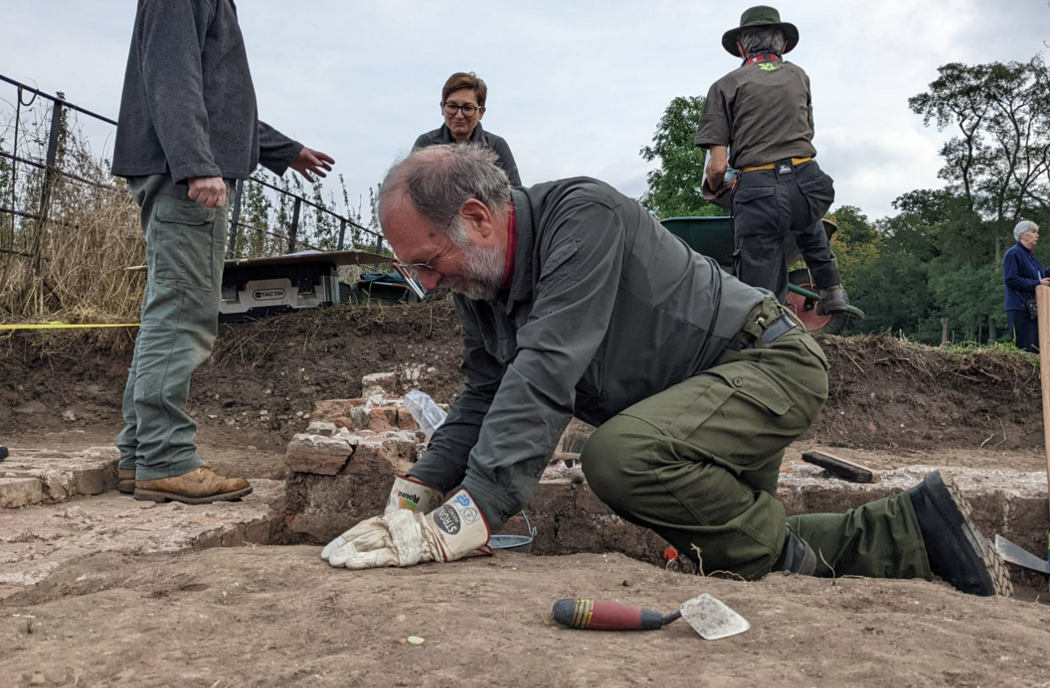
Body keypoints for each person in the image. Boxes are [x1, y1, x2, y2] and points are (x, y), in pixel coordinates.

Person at [320, 145, 1011, 598]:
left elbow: (547, 365)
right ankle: (919, 527)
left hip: (766, 364)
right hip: (696, 401)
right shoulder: (479, 282)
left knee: (621, 458)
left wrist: (470, 514)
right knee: (734, 558)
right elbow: (485, 389)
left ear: (476, 217)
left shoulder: (580, 218)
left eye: (424, 262)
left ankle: (896, 535)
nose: (424, 282)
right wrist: (416, 494)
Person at [111, 0, 335, 504]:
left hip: (181, 167)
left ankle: (139, 455)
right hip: (183, 176)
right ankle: (165, 458)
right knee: (184, 311)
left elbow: (218, 101)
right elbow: (173, 78)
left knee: (170, 308)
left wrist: (283, 150)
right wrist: (196, 165)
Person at [696, 6, 857, 331]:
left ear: (741, 47)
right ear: (782, 44)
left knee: (760, 290)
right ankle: (831, 288)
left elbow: (717, 167)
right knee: (803, 216)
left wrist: (714, 188)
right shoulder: (799, 76)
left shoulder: (725, 85)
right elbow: (807, 130)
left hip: (759, 192)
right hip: (808, 182)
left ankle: (768, 333)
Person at [411, 71, 522, 186]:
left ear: (481, 112)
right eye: (452, 106)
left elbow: (515, 192)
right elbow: (409, 189)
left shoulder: (497, 146)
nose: (459, 115)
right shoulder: (426, 144)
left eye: (468, 108)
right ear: (442, 108)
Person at [1002, 221, 1050, 353]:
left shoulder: (1031, 256)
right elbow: (1011, 280)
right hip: (1020, 307)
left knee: (1036, 348)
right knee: (1024, 349)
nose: (1037, 235)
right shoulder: (1013, 253)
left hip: (1033, 308)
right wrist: (1037, 284)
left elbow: (1040, 277)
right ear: (1023, 235)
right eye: (1034, 232)